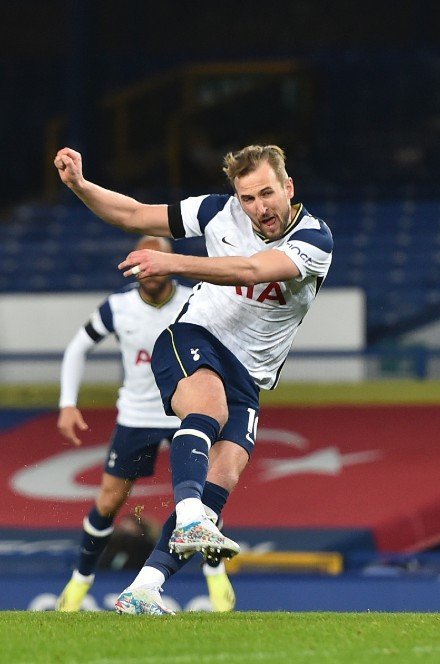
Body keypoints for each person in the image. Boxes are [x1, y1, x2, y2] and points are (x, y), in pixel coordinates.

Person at [54, 144, 333, 615]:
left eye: (267, 193)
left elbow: (252, 268)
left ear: (288, 188)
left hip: (251, 374)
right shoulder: (216, 212)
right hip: (193, 336)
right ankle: (185, 519)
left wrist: (174, 262)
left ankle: (144, 588)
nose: (259, 208)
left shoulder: (315, 240)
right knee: (208, 412)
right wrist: (81, 186)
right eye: (247, 198)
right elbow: (135, 215)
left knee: (219, 483)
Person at [54, 236, 236, 613]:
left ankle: (215, 575)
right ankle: (79, 582)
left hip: (186, 410)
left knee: (206, 490)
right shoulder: (118, 306)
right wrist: (67, 403)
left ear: (170, 263)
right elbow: (77, 346)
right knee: (109, 500)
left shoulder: (194, 299)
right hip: (136, 415)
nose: (146, 270)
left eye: (155, 260)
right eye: (139, 262)